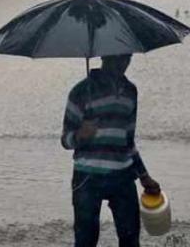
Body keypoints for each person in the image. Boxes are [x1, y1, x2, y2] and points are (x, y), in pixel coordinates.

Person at [61, 54, 161, 247]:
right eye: (117, 57)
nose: (122, 62)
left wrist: (144, 176)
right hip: (87, 177)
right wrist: (80, 135)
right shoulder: (80, 91)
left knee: (131, 239)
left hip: (123, 175)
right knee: (85, 241)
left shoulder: (130, 91)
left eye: (126, 57)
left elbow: (128, 141)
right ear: (105, 55)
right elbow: (65, 140)